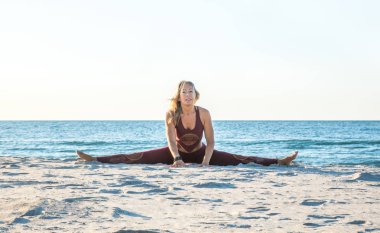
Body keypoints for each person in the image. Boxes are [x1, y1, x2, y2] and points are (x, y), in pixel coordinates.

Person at [76, 80, 297, 167]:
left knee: (240, 158)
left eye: (191, 92)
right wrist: (178, 159)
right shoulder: (172, 113)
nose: (188, 95)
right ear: (180, 96)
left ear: (195, 95)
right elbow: (171, 142)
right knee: (136, 156)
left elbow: (210, 142)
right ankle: (95, 158)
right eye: (184, 92)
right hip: (176, 155)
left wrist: (206, 162)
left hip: (202, 154)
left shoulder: (204, 113)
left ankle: (279, 161)